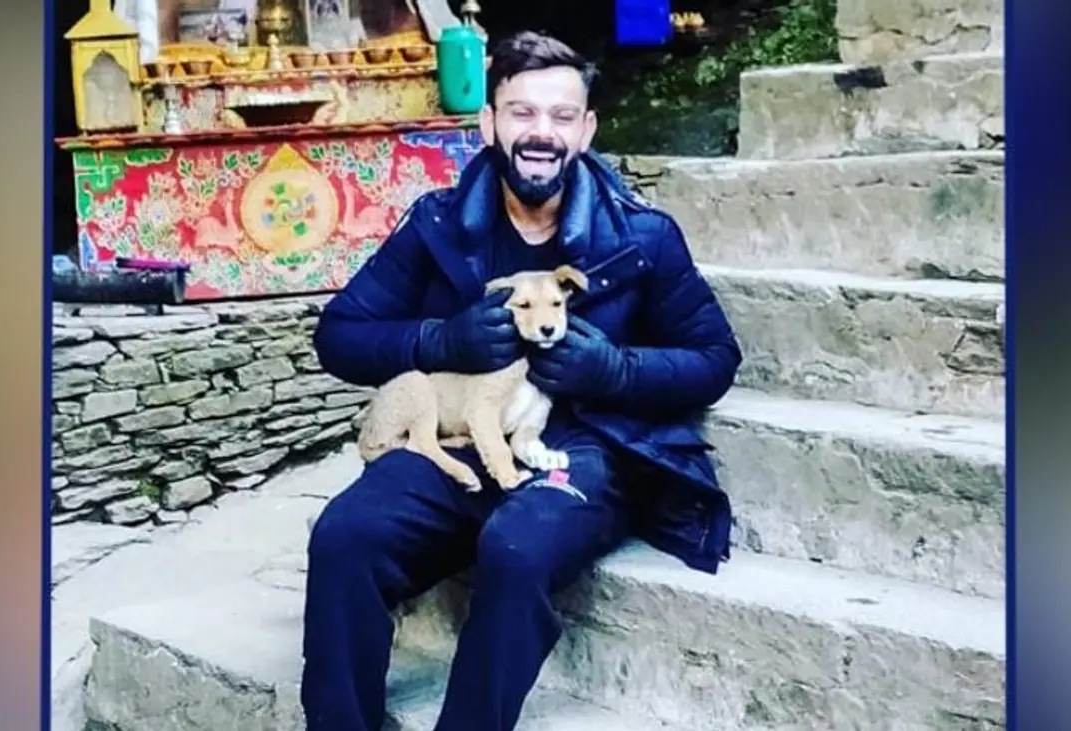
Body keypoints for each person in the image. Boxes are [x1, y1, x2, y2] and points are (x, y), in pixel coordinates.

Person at [302, 30, 742, 731]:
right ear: (489, 122)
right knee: (344, 535)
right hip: (460, 439)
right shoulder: (438, 224)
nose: (542, 132)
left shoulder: (641, 236)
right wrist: (438, 339)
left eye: (561, 116)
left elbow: (715, 357)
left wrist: (617, 369)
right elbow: (339, 335)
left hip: (588, 448)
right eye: (522, 112)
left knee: (515, 547)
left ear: (586, 129)